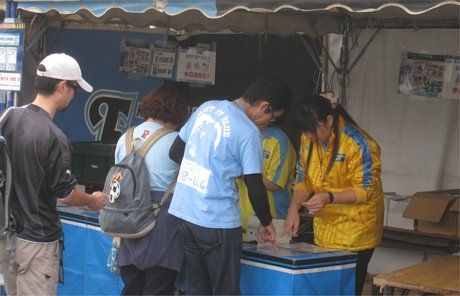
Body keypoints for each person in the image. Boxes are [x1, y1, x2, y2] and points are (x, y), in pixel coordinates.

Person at [168, 77, 292, 295]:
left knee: (196, 288)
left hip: (185, 213)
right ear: (265, 106)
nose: (267, 123)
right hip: (218, 222)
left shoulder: (207, 108)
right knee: (225, 289)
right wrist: (266, 222)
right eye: (272, 118)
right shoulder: (248, 131)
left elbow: (175, 151)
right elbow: (255, 184)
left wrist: (207, 169)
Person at [0, 53, 107, 296]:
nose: (73, 94)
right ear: (61, 86)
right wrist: (93, 200)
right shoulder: (54, 137)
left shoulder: (9, 117)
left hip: (7, 235)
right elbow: (66, 194)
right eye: (75, 89)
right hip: (37, 241)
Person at [283, 94, 384, 296]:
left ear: (329, 120)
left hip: (356, 232)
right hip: (325, 229)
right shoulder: (307, 139)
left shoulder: (358, 142)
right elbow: (303, 178)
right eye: (305, 131)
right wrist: (294, 208)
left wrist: (328, 197)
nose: (309, 136)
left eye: (312, 130)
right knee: (325, 288)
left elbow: (365, 190)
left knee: (347, 290)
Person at [114, 84, 189, 295]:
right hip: (163, 222)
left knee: (132, 287)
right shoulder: (176, 141)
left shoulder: (125, 138)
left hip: (127, 221)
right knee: (160, 287)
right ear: (179, 112)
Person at [237, 123, 296, 232]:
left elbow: (274, 184)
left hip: (273, 219)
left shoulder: (278, 140)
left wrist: (243, 173)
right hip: (242, 220)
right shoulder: (239, 135)